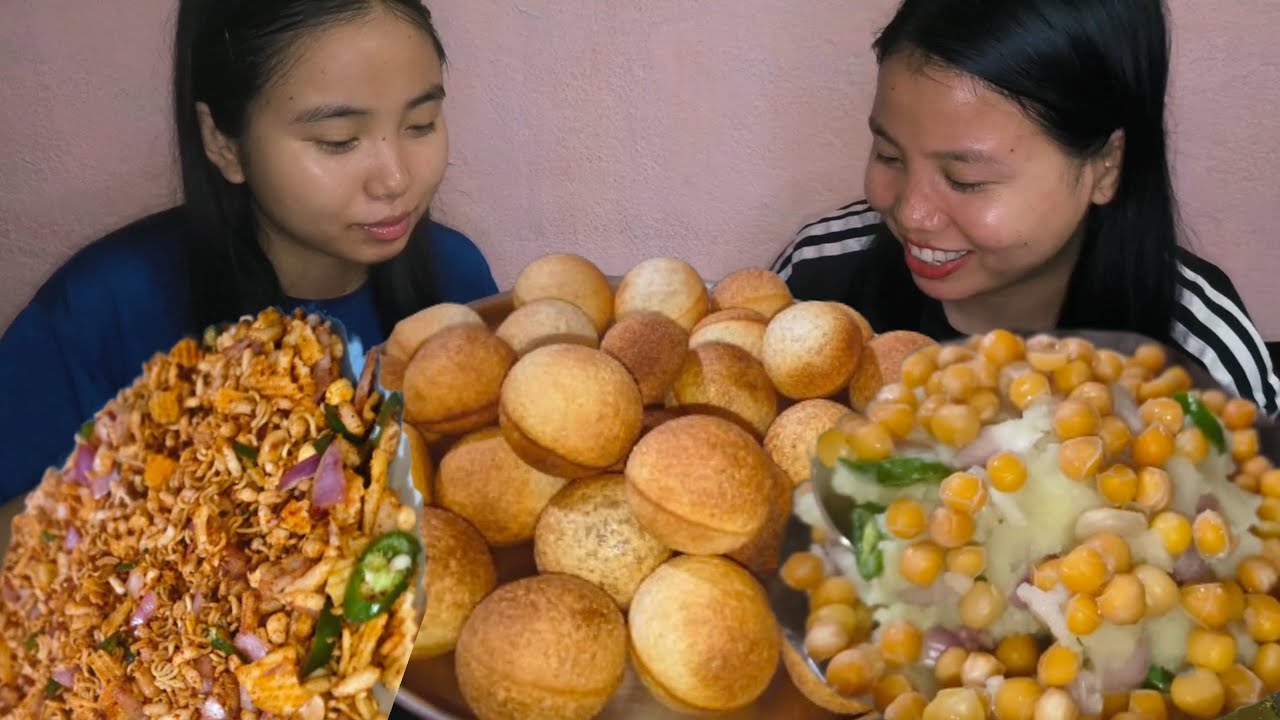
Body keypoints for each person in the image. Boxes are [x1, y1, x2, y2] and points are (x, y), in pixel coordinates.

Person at [0, 0, 498, 505]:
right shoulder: (102, 312)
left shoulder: (457, 279)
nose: (395, 179)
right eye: (339, 140)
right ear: (223, 143)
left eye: (421, 124)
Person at [771, 0, 1280, 417]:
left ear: (1105, 165)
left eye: (966, 179)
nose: (911, 213)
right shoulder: (817, 283)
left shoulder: (1203, 361)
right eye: (888, 155)